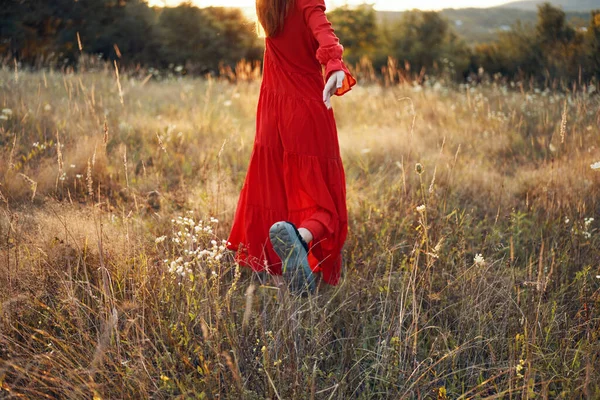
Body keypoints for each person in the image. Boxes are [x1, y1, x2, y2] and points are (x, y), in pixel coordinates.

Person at [227, 0, 356, 293]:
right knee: (324, 196)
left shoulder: (268, 4)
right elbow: (322, 29)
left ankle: (281, 277)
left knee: (275, 188)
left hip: (272, 112)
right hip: (306, 108)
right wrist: (334, 63)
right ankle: (300, 237)